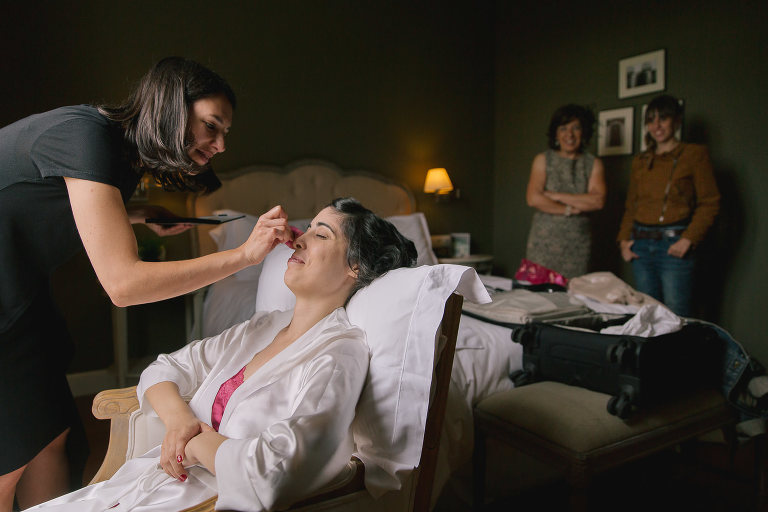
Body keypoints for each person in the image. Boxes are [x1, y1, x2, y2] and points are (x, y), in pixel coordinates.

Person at [27, 198, 418, 512]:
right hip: (139, 485)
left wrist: (191, 441)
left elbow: (271, 470)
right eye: (307, 228)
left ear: (355, 267)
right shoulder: (263, 326)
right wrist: (181, 421)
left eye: (322, 234)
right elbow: (163, 369)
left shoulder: (339, 354)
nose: (298, 240)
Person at [0, 56, 268, 511]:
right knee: (12, 451)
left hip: (21, 287)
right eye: (211, 127)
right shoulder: (84, 136)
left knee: (50, 434)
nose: (220, 145)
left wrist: (139, 216)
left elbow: (53, 197)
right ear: (170, 109)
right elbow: (122, 285)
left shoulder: (119, 153)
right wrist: (242, 256)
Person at [617, 94, 720, 317]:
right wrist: (624, 241)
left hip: (674, 245)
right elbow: (631, 205)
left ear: (676, 120)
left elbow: (709, 202)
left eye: (663, 119)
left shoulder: (694, 155)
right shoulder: (641, 160)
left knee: (676, 314)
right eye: (651, 120)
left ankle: (678, 354)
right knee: (645, 312)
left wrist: (688, 239)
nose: (657, 126)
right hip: (641, 245)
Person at [525, 104, 606, 278]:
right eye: (563, 128)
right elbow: (533, 199)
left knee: (575, 298)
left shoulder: (593, 163)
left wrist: (556, 196)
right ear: (556, 133)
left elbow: (597, 201)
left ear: (583, 132)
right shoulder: (542, 160)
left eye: (576, 128)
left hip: (578, 245)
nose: (569, 135)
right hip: (543, 245)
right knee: (536, 298)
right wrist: (570, 209)